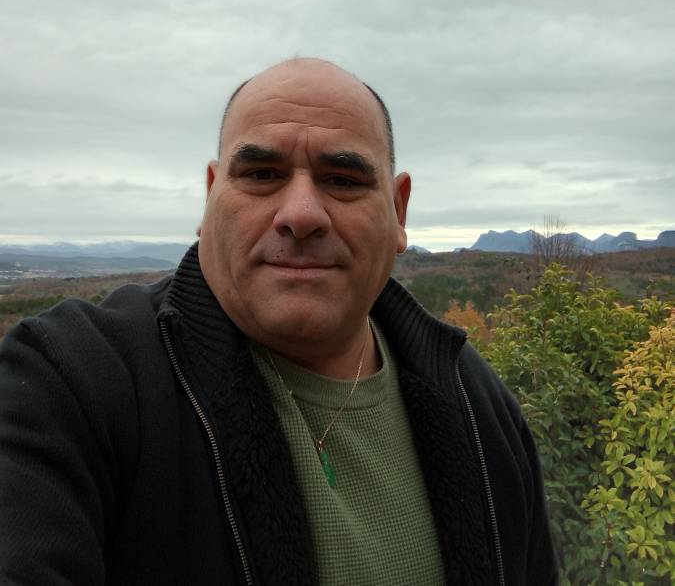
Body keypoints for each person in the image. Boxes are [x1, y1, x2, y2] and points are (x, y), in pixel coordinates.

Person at [0, 58, 558, 585]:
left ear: (398, 209)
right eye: (262, 174)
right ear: (210, 197)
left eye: (343, 180)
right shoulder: (71, 383)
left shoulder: (477, 403)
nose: (301, 214)